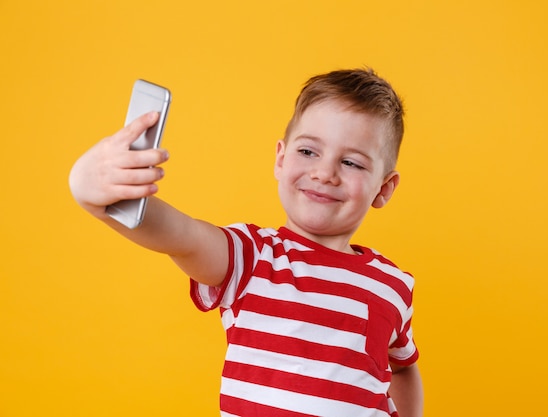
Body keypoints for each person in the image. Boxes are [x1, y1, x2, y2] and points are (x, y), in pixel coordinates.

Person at [69, 68, 424, 417]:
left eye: (350, 162)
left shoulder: (392, 285)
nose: (324, 173)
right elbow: (182, 236)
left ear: (384, 188)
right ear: (281, 159)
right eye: (308, 152)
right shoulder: (252, 257)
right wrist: (96, 196)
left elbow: (403, 366)